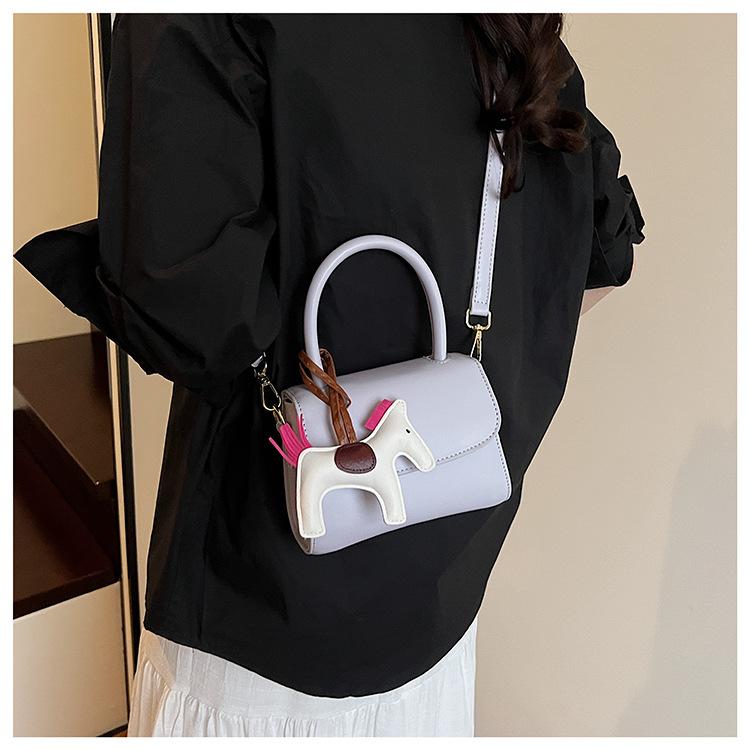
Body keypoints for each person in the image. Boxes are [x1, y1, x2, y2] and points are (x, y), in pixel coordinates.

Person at [14, 13, 645, 737]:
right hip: (442, 612)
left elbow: (190, 318)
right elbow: (599, 256)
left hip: (261, 647)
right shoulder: (514, 30)